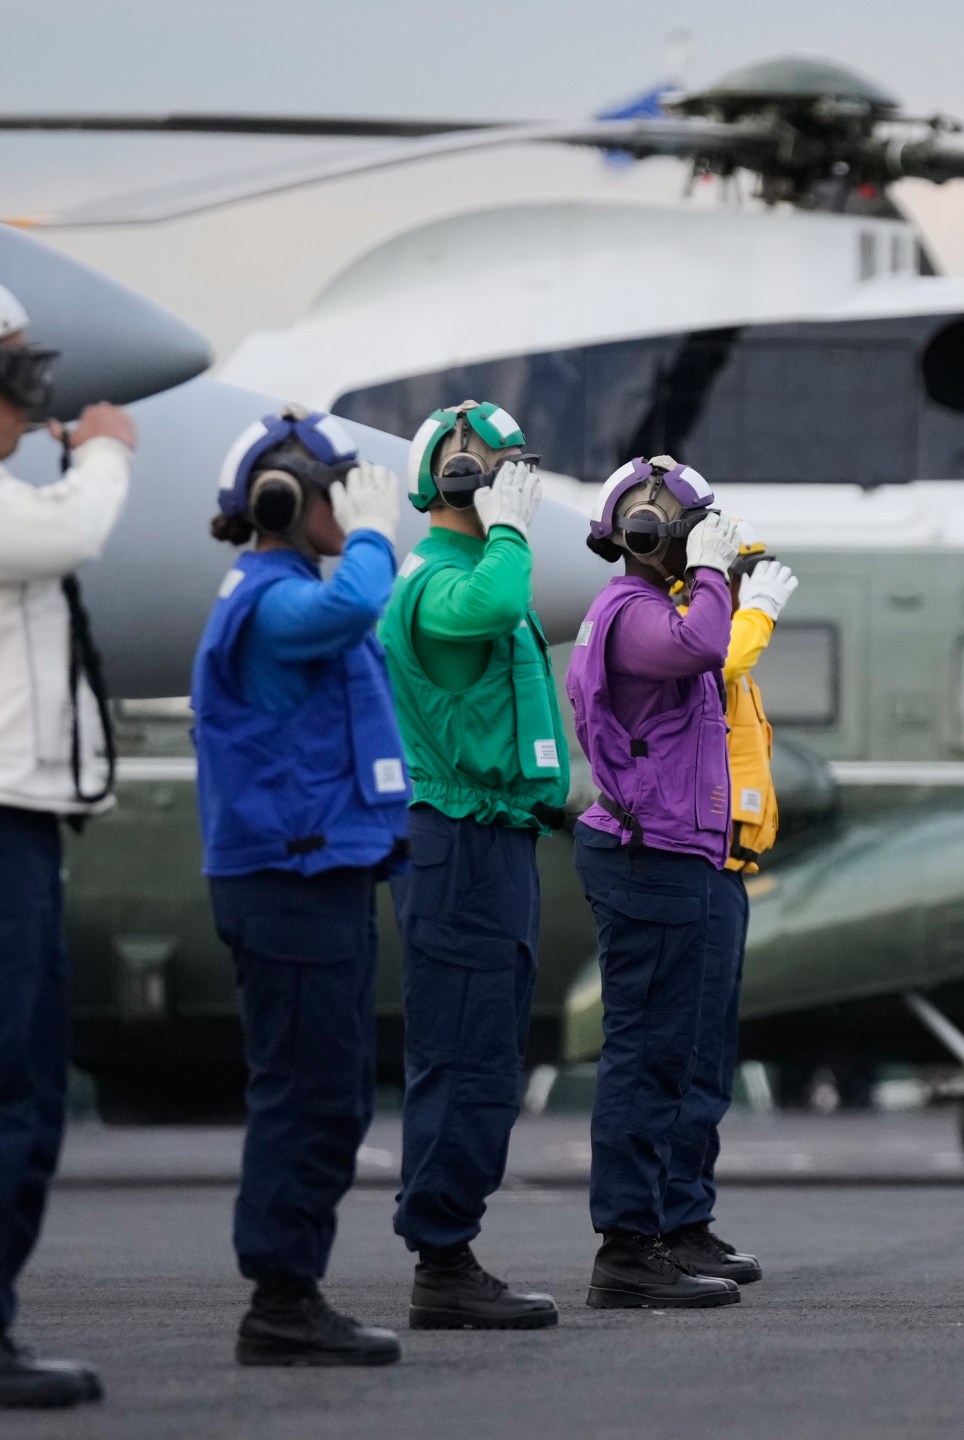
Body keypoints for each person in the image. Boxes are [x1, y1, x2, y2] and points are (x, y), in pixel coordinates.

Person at [193, 406, 409, 1365]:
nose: (355, 508)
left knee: (332, 1091)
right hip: (288, 879)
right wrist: (372, 537)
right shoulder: (272, 600)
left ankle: (291, 1292)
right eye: (342, 492)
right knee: (304, 1093)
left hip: (321, 872)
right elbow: (353, 608)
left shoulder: (291, 592)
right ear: (284, 499)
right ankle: (280, 1302)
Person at [381, 401, 567, 1330]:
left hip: (494, 835)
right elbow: (493, 606)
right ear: (457, 479)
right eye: (502, 467)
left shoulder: (472, 568)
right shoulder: (440, 580)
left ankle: (451, 1250)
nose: (518, 482)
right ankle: (443, 1261)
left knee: (487, 1051)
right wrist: (510, 531)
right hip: (456, 841)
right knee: (463, 1053)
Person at [565, 455, 745, 1310]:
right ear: (651, 534)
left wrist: (717, 578)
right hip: (649, 858)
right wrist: (709, 572)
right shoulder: (634, 615)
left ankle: (657, 1235)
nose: (704, 546)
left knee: (671, 1054)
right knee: (644, 1058)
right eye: (693, 530)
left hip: (673, 854)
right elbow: (704, 643)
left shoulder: (646, 610)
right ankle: (627, 1249)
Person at [0, 282, 134, 1409]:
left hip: (25, 817)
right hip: (2, 824)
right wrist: (102, 451)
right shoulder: (29, 513)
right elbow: (71, 530)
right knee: (12, 1084)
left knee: (30, 1085)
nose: (26, 395)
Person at [658, 519, 799, 1284]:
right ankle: (670, 1224)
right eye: (741, 573)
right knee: (685, 1060)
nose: (751, 585)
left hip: (726, 868)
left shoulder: (725, 651)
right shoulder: (693, 638)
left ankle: (689, 1218)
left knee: (707, 1062)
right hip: (698, 864)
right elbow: (718, 655)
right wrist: (757, 615)